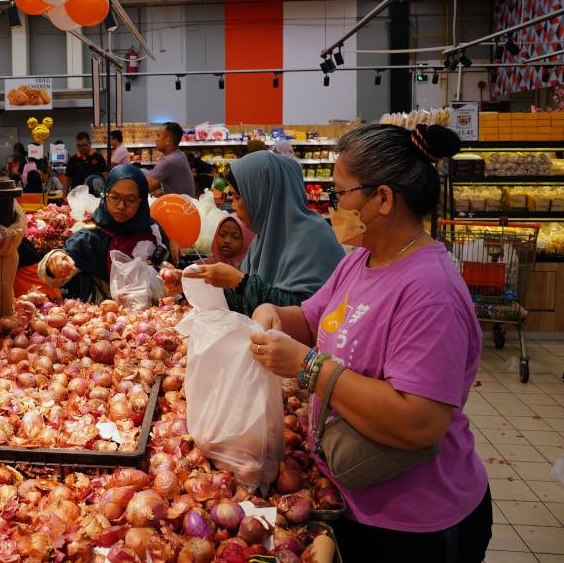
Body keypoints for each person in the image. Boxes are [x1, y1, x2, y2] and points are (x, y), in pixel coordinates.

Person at [248, 124, 490, 562]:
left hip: (415, 522)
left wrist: (308, 367)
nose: (334, 205)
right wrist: (273, 317)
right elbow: (310, 317)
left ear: (382, 198)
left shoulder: (429, 290)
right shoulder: (360, 259)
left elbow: (420, 422)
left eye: (340, 193)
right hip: (354, 495)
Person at [182, 151, 343, 315]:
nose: (234, 207)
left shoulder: (314, 238)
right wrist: (194, 283)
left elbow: (306, 313)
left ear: (261, 195)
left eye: (237, 197)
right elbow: (242, 296)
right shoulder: (263, 237)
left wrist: (240, 282)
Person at [38, 165, 168, 302]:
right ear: (105, 195)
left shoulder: (153, 232)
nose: (121, 206)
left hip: (150, 317)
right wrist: (54, 261)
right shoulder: (93, 233)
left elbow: (169, 272)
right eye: (114, 197)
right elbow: (54, 278)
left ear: (141, 201)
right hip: (101, 316)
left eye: (130, 200)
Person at [146, 122, 194, 197]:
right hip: (186, 203)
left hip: (177, 206)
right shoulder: (180, 154)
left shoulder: (168, 161)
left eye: (158, 136)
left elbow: (146, 187)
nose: (156, 140)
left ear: (167, 140)